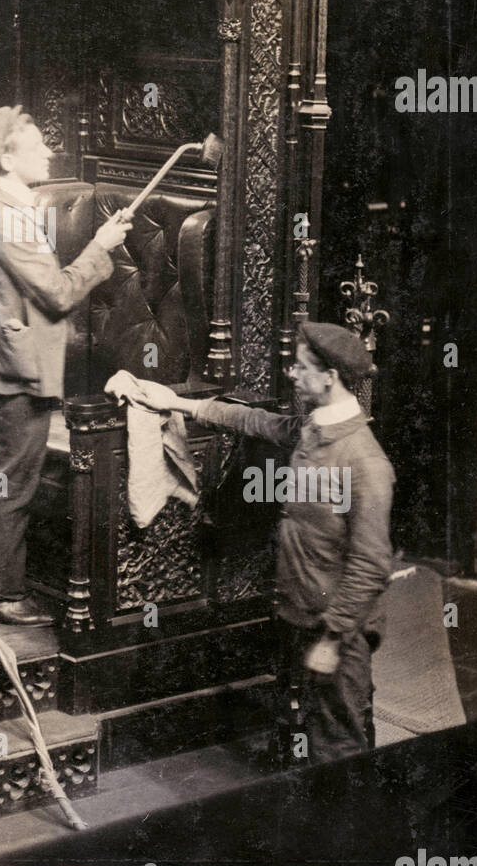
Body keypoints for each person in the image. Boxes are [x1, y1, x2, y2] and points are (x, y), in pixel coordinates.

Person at [111, 321, 395, 762]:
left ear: (329, 378)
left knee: (340, 743)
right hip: (296, 611)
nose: (292, 374)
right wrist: (178, 404)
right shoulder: (313, 429)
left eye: (301, 368)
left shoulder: (364, 461)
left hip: (336, 627)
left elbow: (372, 565)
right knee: (301, 722)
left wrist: (334, 638)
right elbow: (253, 420)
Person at [0, 106, 132, 625]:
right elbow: (57, 294)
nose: (50, 153)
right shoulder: (8, 217)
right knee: (15, 479)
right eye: (38, 147)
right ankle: (1, 595)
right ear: (7, 157)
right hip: (18, 367)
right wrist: (101, 249)